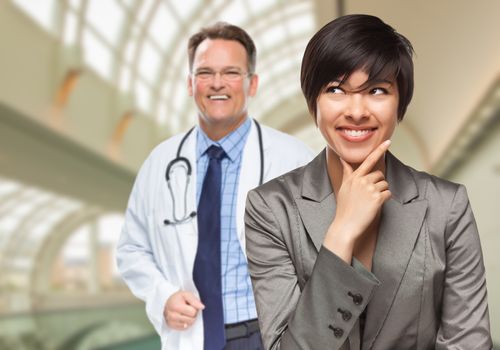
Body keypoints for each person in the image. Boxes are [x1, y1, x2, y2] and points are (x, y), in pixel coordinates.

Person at [244, 14, 492, 350]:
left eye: (376, 90)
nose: (357, 110)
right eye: (336, 89)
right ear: (313, 102)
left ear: (399, 103)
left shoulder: (447, 206)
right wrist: (341, 233)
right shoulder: (270, 208)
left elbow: (467, 342)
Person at [116, 22, 313, 350]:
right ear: (190, 83)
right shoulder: (159, 163)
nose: (218, 83)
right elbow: (131, 249)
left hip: (268, 335)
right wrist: (162, 296)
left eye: (232, 72)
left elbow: (325, 253)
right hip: (192, 334)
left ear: (252, 84)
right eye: (205, 72)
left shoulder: (293, 159)